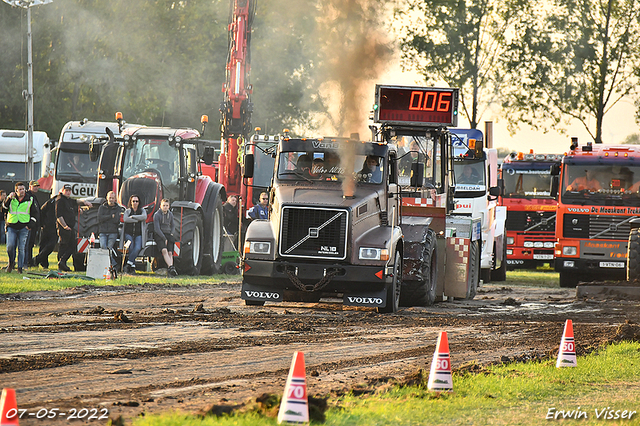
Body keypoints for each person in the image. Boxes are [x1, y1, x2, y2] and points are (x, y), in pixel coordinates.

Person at [3, 182, 38, 273]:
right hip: (12, 225)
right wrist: (9, 199)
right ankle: (11, 262)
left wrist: (30, 225)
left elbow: (35, 213)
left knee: (21, 248)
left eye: (23, 189)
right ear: (16, 191)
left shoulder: (30, 199)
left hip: (24, 227)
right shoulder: (11, 199)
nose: (22, 191)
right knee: (10, 246)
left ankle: (20, 267)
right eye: (20, 189)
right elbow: (3, 208)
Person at [56, 184, 92, 272]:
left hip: (70, 227)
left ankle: (62, 262)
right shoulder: (60, 200)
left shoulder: (69, 200)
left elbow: (76, 202)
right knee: (64, 245)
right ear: (62, 191)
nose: (68, 192)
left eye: (69, 191)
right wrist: (65, 226)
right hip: (64, 228)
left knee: (72, 245)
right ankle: (61, 263)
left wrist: (84, 202)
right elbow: (59, 215)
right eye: (66, 191)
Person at [122, 194, 147, 273]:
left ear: (139, 202)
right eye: (133, 201)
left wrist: (133, 217)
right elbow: (125, 219)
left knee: (137, 248)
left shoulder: (142, 210)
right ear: (131, 202)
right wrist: (137, 219)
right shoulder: (127, 211)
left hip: (138, 234)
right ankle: (132, 267)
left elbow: (144, 217)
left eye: (137, 201)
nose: (135, 203)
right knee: (131, 247)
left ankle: (128, 264)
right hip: (128, 233)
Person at [98, 191, 123, 267]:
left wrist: (105, 217)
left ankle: (109, 265)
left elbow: (116, 220)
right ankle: (113, 264)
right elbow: (99, 218)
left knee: (109, 249)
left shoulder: (118, 208)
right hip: (103, 231)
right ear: (107, 198)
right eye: (110, 198)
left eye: (112, 198)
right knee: (103, 247)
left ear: (115, 199)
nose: (111, 199)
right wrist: (110, 216)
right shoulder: (102, 207)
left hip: (113, 232)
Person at [153, 198, 177, 277]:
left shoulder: (170, 214)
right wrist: (164, 238)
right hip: (159, 234)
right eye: (164, 205)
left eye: (167, 206)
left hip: (168, 234)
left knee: (170, 252)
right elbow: (157, 229)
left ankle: (170, 270)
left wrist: (172, 234)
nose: (165, 207)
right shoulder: (157, 215)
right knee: (164, 250)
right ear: (160, 206)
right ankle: (171, 267)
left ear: (169, 206)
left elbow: (173, 225)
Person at [34, 193, 57, 269]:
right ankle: (43, 263)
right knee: (43, 245)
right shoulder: (49, 203)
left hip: (55, 228)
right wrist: (42, 224)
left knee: (50, 246)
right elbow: (41, 212)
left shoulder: (61, 204)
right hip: (46, 227)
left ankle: (37, 259)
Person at [25, 180, 41, 267]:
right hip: (29, 225)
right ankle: (27, 262)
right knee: (27, 244)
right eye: (34, 186)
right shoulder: (28, 196)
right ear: (30, 187)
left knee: (30, 244)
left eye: (37, 186)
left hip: (33, 225)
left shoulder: (33, 196)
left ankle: (29, 261)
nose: (36, 188)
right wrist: (29, 224)